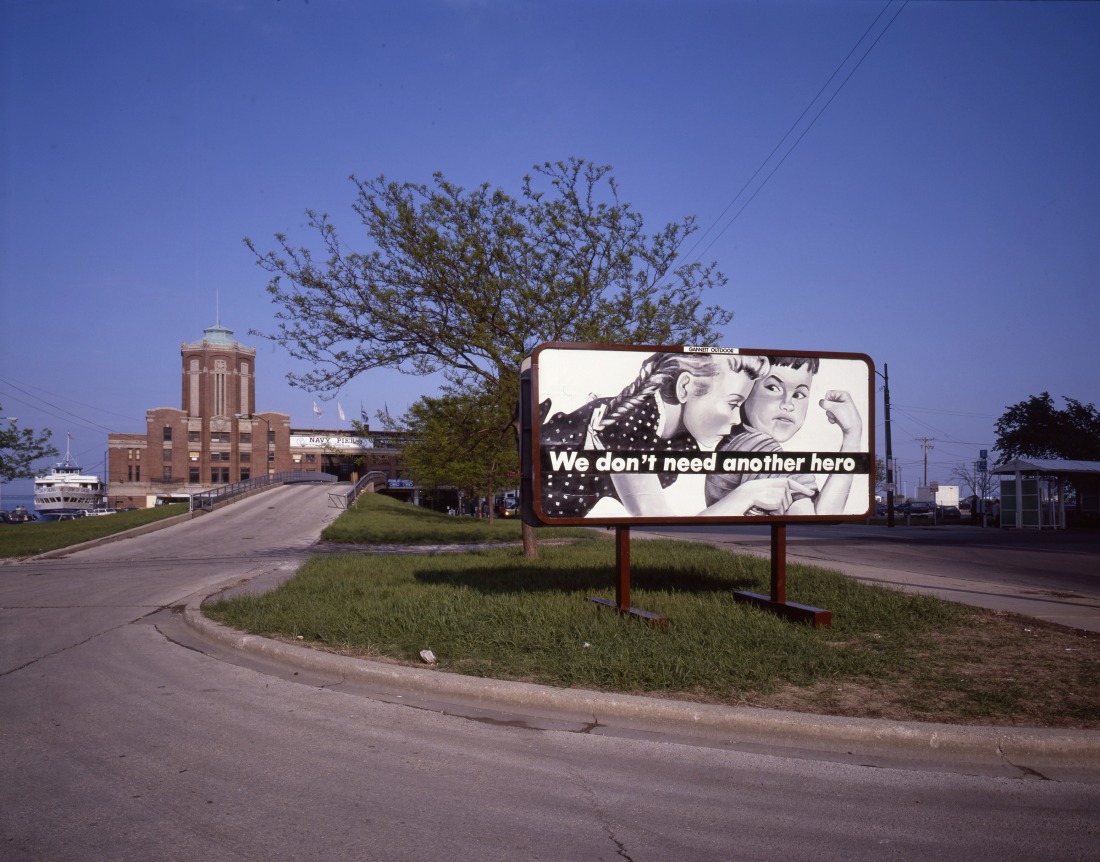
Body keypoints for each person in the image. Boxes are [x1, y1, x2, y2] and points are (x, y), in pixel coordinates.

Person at [539, 351, 769, 518]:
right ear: (685, 387)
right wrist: (745, 496)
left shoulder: (682, 443)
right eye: (733, 404)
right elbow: (654, 515)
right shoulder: (629, 421)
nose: (737, 419)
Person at [703, 355, 863, 516]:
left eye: (798, 394)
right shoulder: (757, 446)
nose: (788, 404)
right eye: (773, 387)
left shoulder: (733, 440)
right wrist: (852, 435)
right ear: (747, 389)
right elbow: (820, 517)